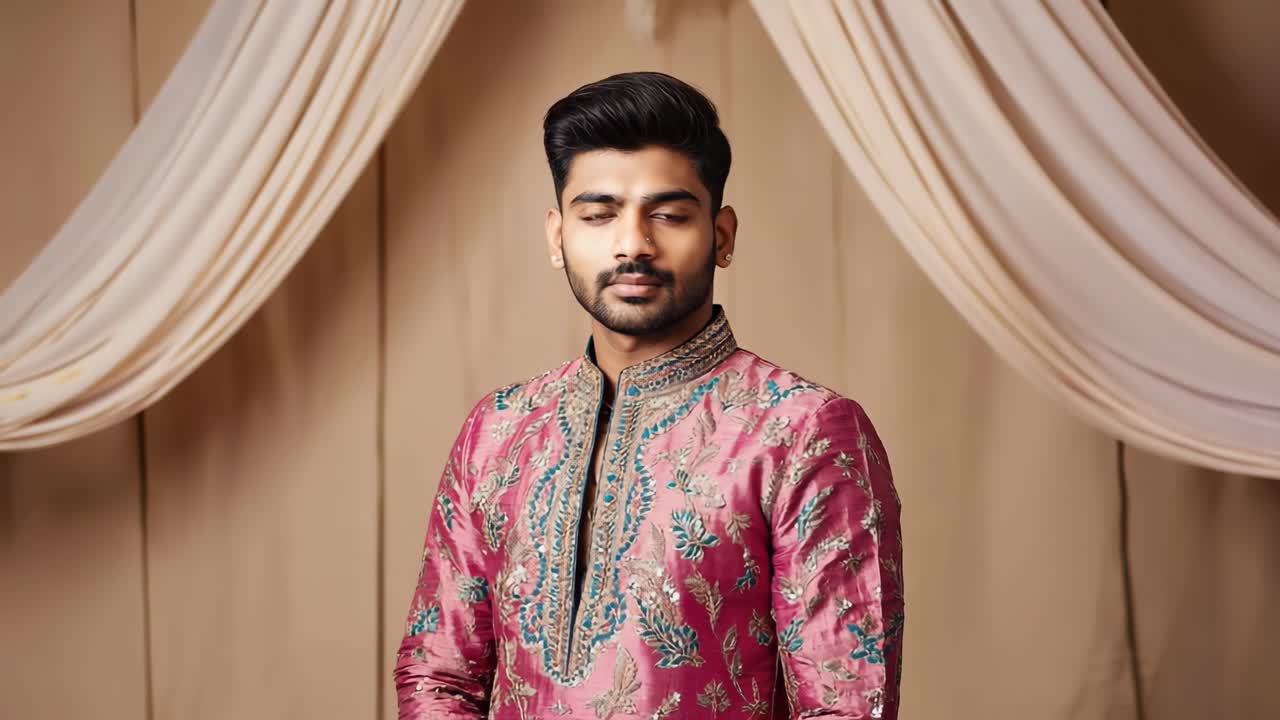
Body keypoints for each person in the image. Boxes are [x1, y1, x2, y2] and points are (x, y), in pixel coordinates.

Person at [394, 71, 904, 719]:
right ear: (558, 237)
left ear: (721, 236)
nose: (633, 244)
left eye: (668, 214)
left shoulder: (803, 429)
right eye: (599, 214)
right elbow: (438, 673)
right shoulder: (497, 430)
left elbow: (846, 700)